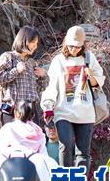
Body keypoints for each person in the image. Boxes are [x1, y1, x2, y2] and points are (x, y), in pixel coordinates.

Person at [41, 25, 104, 172]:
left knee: (83, 152)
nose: (73, 49)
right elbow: (52, 85)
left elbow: (98, 84)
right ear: (65, 43)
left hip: (85, 112)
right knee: (66, 145)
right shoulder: (59, 60)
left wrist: (90, 75)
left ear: (83, 45)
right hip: (63, 110)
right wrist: (48, 106)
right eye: (70, 46)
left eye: (77, 46)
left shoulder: (89, 58)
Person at [0, 27, 47, 126]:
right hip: (12, 109)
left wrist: (43, 76)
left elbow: (40, 88)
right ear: (24, 40)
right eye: (33, 42)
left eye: (37, 43)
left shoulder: (31, 63)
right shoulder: (8, 57)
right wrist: (16, 70)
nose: (35, 46)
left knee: (33, 140)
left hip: (31, 111)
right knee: (12, 141)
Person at [0, 100, 47, 166]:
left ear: (15, 113)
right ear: (33, 115)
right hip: (35, 166)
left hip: (11, 167)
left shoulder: (7, 128)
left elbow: (1, 153)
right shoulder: (38, 131)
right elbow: (44, 155)